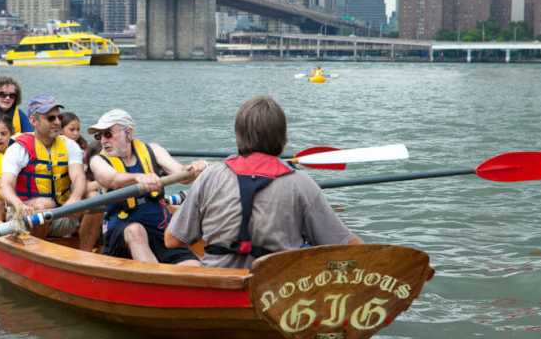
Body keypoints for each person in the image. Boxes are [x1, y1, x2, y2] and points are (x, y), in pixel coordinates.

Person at [165, 96, 363, 269]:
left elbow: (172, 240)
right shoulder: (301, 183)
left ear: (238, 136)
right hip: (275, 290)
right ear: (283, 138)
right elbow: (344, 245)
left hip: (220, 283)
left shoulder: (210, 176)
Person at [88, 109, 206, 266]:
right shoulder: (98, 160)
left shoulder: (154, 150)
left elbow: (182, 175)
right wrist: (138, 177)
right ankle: (157, 280)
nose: (103, 140)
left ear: (128, 133)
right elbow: (112, 179)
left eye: (108, 134)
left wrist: (195, 168)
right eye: (99, 136)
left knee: (194, 267)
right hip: (122, 234)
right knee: (135, 230)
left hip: (159, 230)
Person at [0, 94, 87, 237]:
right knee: (45, 204)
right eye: (51, 118)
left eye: (59, 117)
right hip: (25, 217)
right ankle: (37, 250)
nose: (58, 122)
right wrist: (19, 205)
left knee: (94, 200)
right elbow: (5, 186)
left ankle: (85, 252)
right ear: (34, 121)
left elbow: (78, 176)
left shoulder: (70, 146)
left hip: (62, 213)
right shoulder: (18, 149)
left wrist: (74, 199)